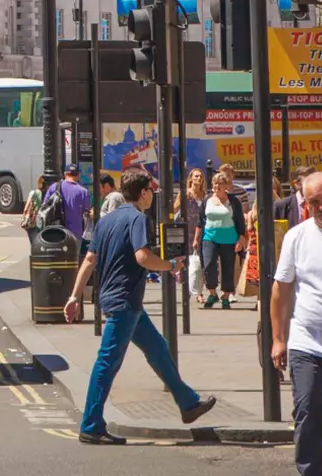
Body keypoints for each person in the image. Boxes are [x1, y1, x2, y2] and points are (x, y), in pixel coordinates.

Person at [63, 171, 216, 444]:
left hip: (118, 300)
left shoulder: (106, 220)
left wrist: (74, 298)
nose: (152, 195)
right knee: (107, 363)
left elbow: (89, 260)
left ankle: (188, 404)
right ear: (142, 193)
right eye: (151, 190)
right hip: (124, 302)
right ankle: (90, 424)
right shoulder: (137, 219)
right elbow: (142, 256)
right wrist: (170, 266)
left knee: (157, 349)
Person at [272, 170, 322, 476]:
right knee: (309, 416)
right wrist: (278, 339)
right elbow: (281, 288)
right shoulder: (297, 237)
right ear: (305, 204)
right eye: (314, 202)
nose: (321, 207)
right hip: (306, 345)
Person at [198, 168, 247, 310]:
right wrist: (196, 239)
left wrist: (241, 238)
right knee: (208, 264)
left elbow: (239, 222)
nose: (216, 187)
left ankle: (226, 295)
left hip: (229, 238)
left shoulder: (233, 201)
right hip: (209, 237)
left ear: (226, 186)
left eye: (220, 184)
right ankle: (212, 293)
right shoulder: (207, 200)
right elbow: (200, 221)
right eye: (214, 184)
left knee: (228, 268)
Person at [44, 167, 93, 253]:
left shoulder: (54, 187)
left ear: (65, 174)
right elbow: (87, 211)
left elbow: (45, 207)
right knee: (74, 261)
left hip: (56, 231)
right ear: (77, 175)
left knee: (58, 260)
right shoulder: (83, 192)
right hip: (75, 233)